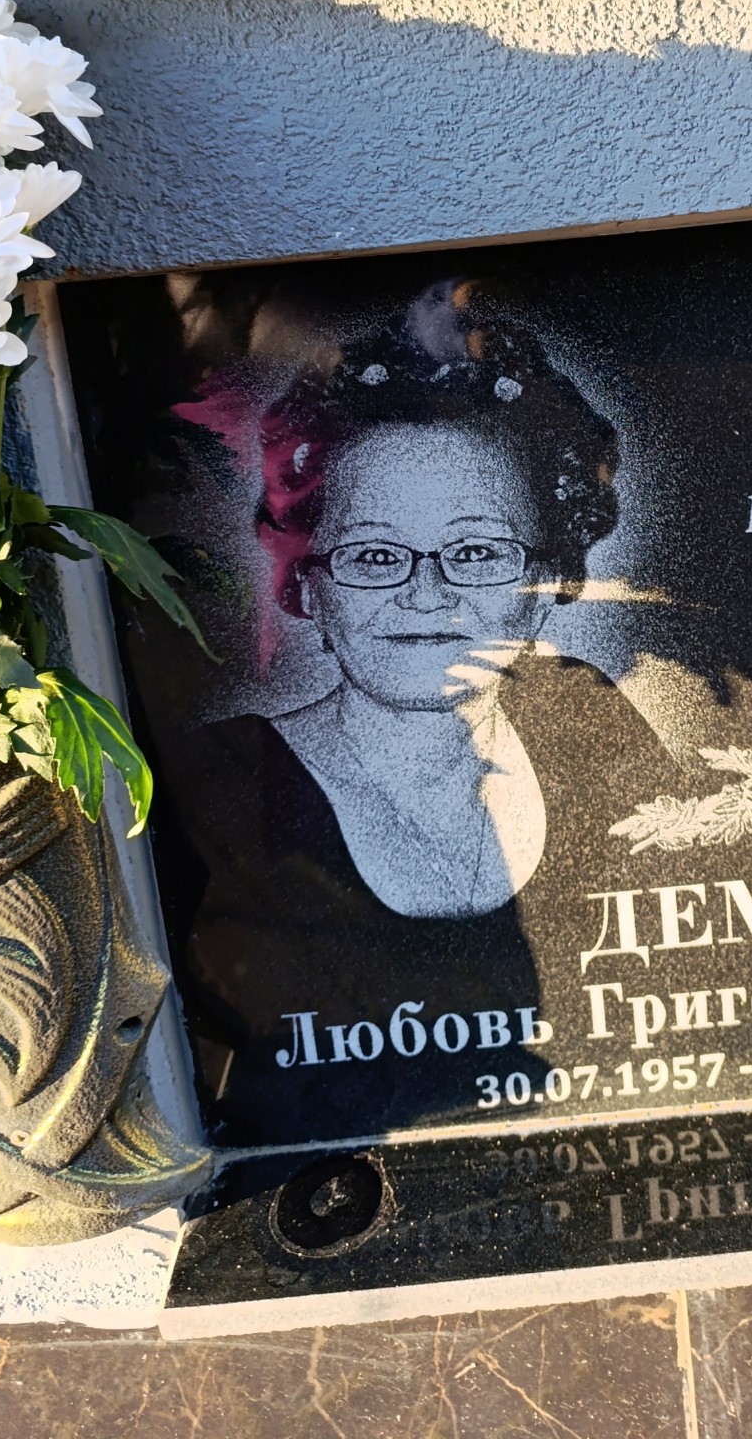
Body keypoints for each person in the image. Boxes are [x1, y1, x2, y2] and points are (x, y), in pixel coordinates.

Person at [162, 283, 680, 1143]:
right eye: (373, 556)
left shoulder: (588, 721)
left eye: (476, 551)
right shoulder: (224, 787)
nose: (427, 594)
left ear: (544, 578)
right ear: (307, 584)